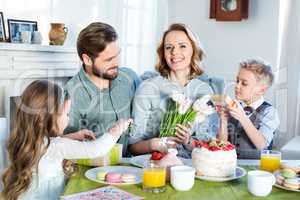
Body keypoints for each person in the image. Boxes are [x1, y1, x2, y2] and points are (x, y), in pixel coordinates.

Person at [1, 80, 132, 200]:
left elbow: (48, 146)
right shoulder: (57, 146)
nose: (68, 119)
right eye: (67, 114)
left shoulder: (26, 142)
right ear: (51, 117)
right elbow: (96, 149)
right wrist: (116, 130)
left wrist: (72, 136)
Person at [128, 23, 224, 158]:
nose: (174, 52)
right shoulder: (148, 88)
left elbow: (209, 144)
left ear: (194, 50)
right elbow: (132, 146)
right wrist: (156, 144)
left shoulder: (205, 90)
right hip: (155, 165)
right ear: (163, 53)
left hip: (192, 167)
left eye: (182, 46)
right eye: (169, 47)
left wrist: (188, 141)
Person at [63, 22, 140, 156]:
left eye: (118, 55)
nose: (116, 63)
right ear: (87, 59)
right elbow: (65, 148)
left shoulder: (129, 78)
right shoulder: (72, 94)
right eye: (109, 59)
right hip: (93, 171)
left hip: (132, 167)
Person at [217, 59, 280, 159]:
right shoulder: (235, 107)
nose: (237, 86)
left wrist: (242, 117)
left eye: (244, 83)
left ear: (261, 90)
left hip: (258, 168)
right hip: (231, 165)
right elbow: (222, 144)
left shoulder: (269, 112)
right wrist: (223, 121)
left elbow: (262, 145)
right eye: (237, 81)